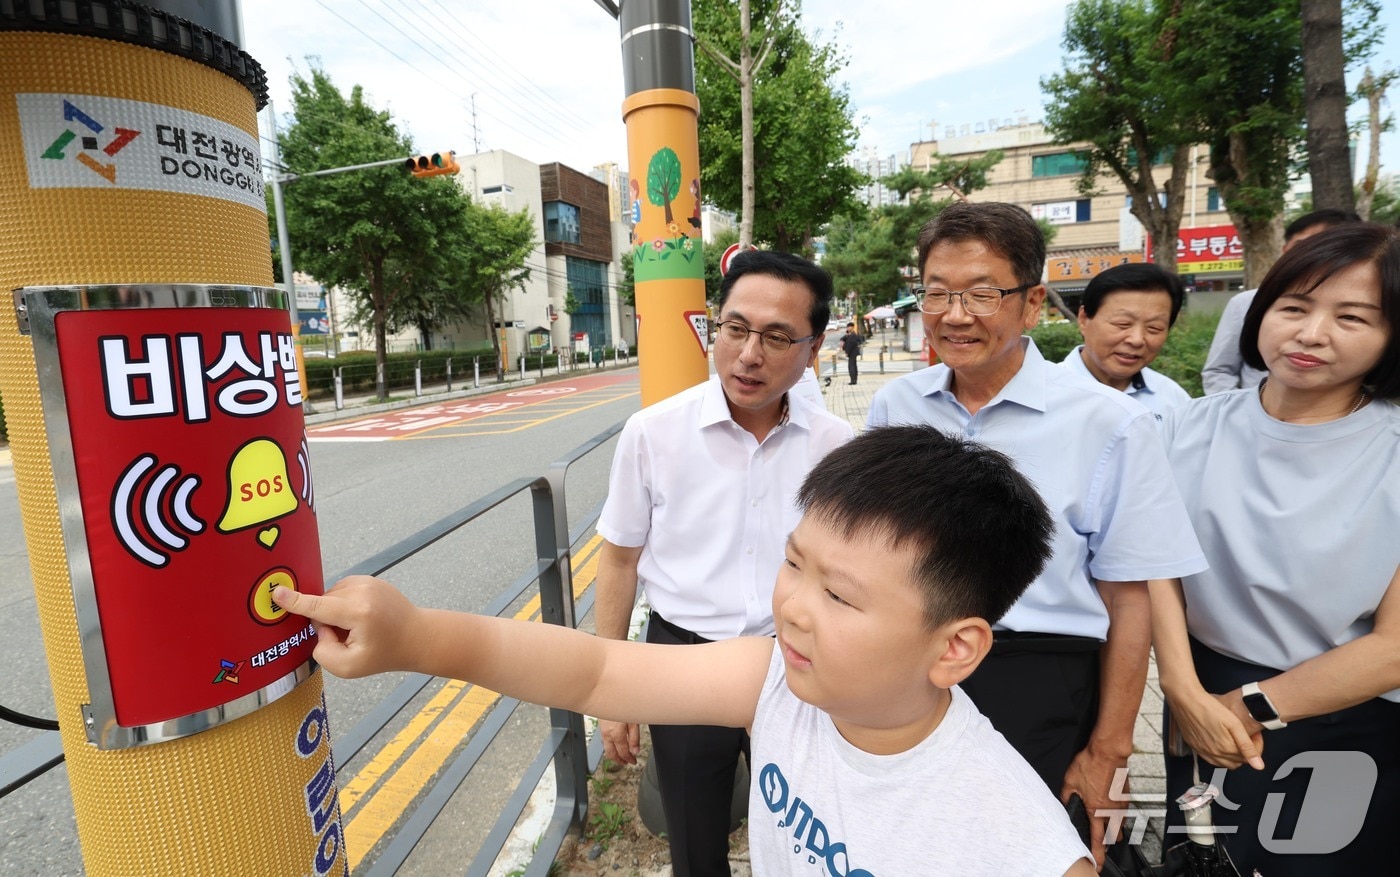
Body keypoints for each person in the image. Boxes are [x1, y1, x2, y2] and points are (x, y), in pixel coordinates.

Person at [272, 426, 1095, 876]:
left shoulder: (1014, 839)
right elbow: (599, 669)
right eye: (793, 563)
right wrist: (414, 634)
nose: (793, 609)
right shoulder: (773, 677)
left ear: (955, 648)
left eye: (839, 595)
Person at [866, 201, 1207, 866]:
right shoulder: (896, 406)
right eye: (937, 292)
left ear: (1031, 304)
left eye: (982, 293)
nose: (954, 314)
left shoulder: (1109, 424)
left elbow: (1129, 595)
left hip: (1038, 679)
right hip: (910, 664)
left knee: (1024, 852)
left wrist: (1110, 747)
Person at [594, 249, 853, 876]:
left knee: (811, 834)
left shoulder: (839, 449)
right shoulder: (653, 434)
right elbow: (620, 561)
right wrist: (613, 689)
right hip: (682, 657)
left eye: (777, 336)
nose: (748, 354)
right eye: (734, 328)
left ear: (813, 348)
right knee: (694, 837)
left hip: (796, 660)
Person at [1151, 222, 1400, 875]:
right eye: (1294, 306)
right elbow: (1156, 568)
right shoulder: (1186, 425)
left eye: (1352, 317)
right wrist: (1181, 688)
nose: (1311, 333)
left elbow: (1394, 646)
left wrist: (1252, 705)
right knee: (1202, 855)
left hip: (1343, 711)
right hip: (1200, 696)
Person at [1201, 208, 1361, 394]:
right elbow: (1218, 371)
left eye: (1349, 317)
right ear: (1285, 251)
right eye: (1302, 246)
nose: (1310, 337)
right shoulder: (1246, 303)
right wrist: (1236, 415)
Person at [1063, 262, 1191, 420]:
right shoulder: (1045, 395)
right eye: (1122, 324)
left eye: (1154, 328)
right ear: (1084, 319)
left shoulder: (1175, 401)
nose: (1137, 340)